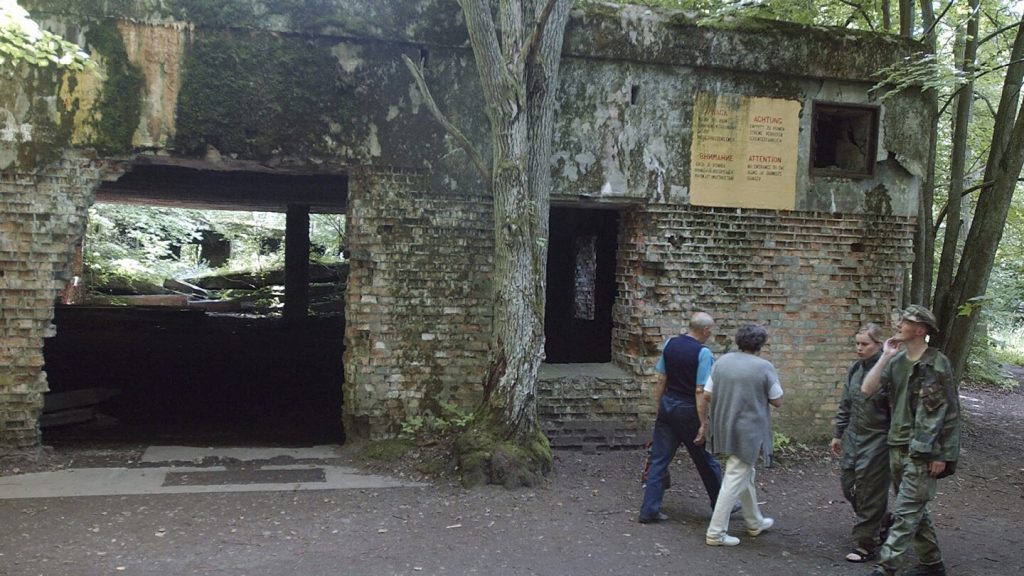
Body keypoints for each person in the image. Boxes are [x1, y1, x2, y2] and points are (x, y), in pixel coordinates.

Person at [861, 305, 961, 576]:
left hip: (923, 450)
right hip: (896, 445)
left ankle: (886, 567)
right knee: (915, 508)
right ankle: (932, 565)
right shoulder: (896, 361)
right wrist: (884, 356)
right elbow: (867, 389)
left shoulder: (937, 363)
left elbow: (950, 412)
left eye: (905, 321)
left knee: (905, 512)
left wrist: (942, 454)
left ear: (920, 329)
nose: (899, 325)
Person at [638, 311, 724, 524]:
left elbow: (662, 379)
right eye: (710, 330)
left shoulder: (670, 344)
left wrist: (660, 407)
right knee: (706, 460)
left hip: (668, 404)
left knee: (659, 460)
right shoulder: (703, 353)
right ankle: (722, 506)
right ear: (704, 330)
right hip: (688, 410)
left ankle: (649, 510)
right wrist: (703, 423)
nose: (711, 333)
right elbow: (699, 390)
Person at [704, 323, 783, 546]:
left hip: (723, 425)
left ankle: (754, 521)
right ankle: (716, 532)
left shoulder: (723, 361)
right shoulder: (764, 367)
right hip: (749, 430)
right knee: (734, 476)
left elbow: (708, 393)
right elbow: (777, 400)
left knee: (745, 472)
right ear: (761, 344)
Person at [830, 323, 892, 563]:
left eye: (864, 344)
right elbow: (846, 402)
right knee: (849, 485)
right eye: (857, 343)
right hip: (854, 437)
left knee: (870, 492)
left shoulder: (888, 371)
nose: (859, 348)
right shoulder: (856, 369)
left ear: (879, 345)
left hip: (879, 440)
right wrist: (838, 433)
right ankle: (883, 520)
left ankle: (866, 544)